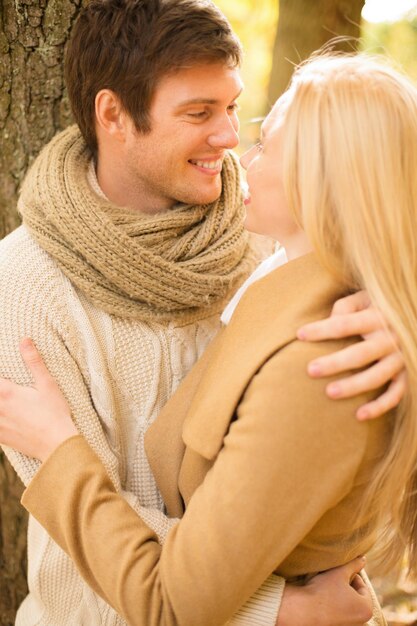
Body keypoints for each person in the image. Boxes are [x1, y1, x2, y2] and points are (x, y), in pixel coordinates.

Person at [0, 0, 403, 623]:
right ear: (114, 115)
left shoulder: (267, 231)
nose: (230, 140)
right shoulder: (25, 286)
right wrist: (277, 614)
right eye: (198, 113)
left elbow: (378, 203)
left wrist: (404, 314)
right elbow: (85, 554)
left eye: (234, 108)